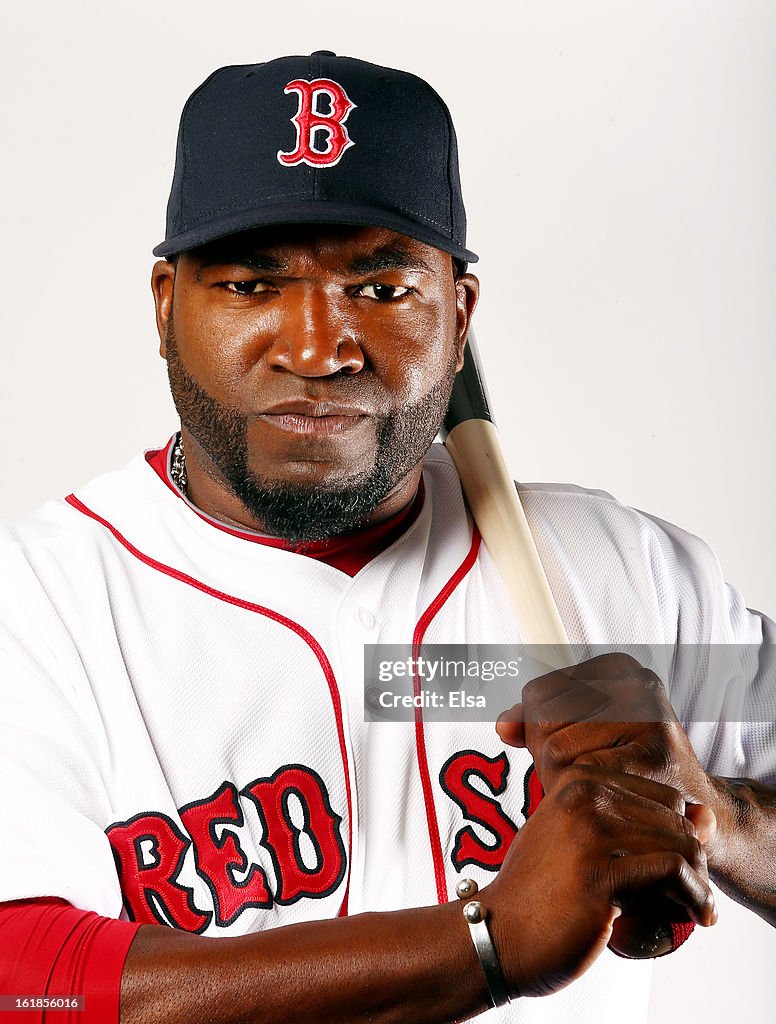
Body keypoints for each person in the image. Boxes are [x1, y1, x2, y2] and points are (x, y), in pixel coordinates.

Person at [0, 50, 774, 1024]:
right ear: (165, 308)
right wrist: (490, 939)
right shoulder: (35, 611)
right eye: (249, 285)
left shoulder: (627, 580)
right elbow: (24, 974)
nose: (317, 346)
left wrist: (709, 812)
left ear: (459, 317)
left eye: (379, 286)